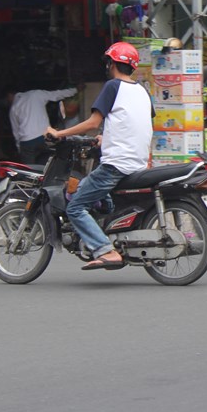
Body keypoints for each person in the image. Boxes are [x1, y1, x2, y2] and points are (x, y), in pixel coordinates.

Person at [46, 42, 154, 271]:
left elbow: (93, 122)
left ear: (112, 63)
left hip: (116, 164)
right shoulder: (142, 90)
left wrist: (59, 133)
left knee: (75, 206)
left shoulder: (113, 86)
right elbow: (132, 120)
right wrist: (106, 137)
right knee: (90, 188)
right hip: (137, 162)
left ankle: (105, 250)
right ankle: (103, 229)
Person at [6, 84, 81, 164]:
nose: (7, 101)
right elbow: (57, 94)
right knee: (48, 166)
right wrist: (76, 90)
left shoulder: (14, 107)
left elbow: (16, 132)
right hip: (45, 138)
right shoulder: (36, 94)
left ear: (10, 95)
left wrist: (19, 148)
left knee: (29, 170)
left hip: (26, 142)